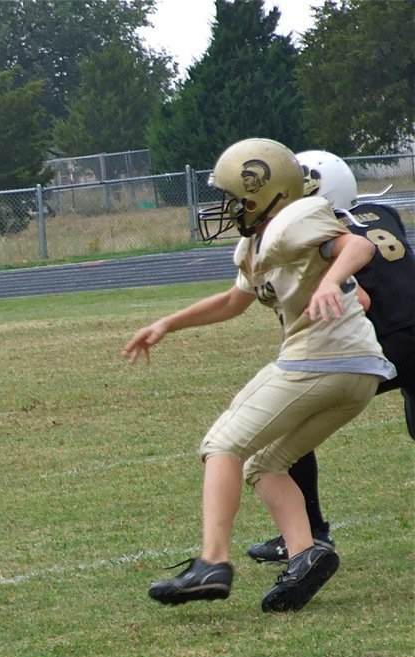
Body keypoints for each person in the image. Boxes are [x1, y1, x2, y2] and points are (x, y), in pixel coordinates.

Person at [122, 138, 395, 612]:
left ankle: (212, 561)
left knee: (222, 444)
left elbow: (356, 244)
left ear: (266, 194)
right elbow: (233, 302)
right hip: (357, 372)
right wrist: (168, 323)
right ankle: (306, 554)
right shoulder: (259, 243)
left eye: (236, 198)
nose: (228, 208)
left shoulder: (296, 219)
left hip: (320, 359)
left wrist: (330, 283)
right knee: (263, 462)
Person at [244, 149, 415, 564]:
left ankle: (311, 534)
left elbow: (362, 296)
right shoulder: (381, 213)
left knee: (293, 419)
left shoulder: (318, 230)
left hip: (392, 341)